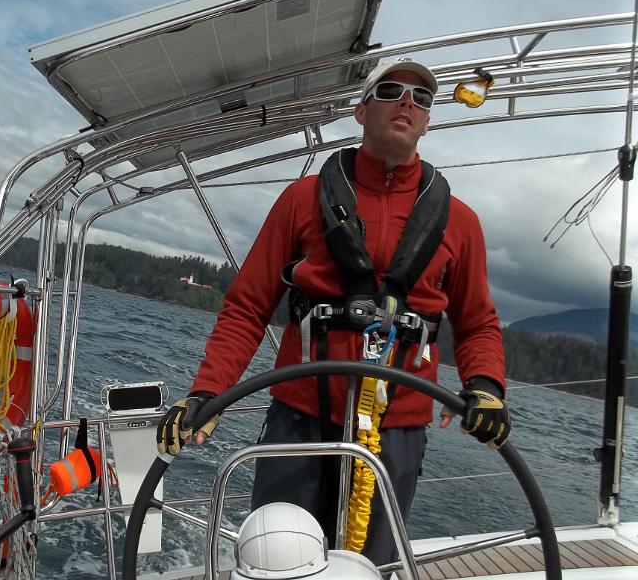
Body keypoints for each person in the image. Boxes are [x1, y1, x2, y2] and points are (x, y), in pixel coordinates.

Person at [157, 58, 510, 567]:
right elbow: (247, 307)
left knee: (373, 568)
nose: (406, 103)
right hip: (299, 420)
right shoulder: (301, 199)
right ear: (361, 111)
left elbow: (477, 324)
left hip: (398, 430)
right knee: (277, 564)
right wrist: (207, 394)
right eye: (390, 91)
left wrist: (487, 387)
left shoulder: (462, 222)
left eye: (421, 98)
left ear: (428, 122)